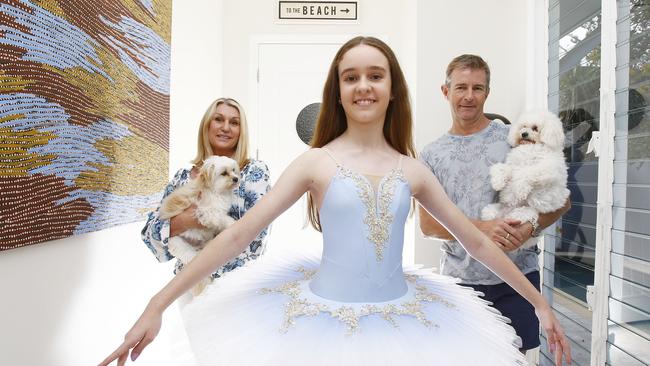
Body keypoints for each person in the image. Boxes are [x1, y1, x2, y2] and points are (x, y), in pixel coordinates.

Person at [100, 37, 571, 366]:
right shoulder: (315, 163)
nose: (363, 85)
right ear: (339, 91)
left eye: (375, 75)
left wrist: (541, 305)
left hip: (403, 326)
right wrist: (157, 304)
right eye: (351, 77)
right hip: (318, 327)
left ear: (391, 89)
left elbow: (479, 244)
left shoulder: (413, 169)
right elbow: (240, 233)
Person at [418, 54, 571, 353]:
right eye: (461, 87)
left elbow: (562, 200)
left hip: (517, 280)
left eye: (478, 88)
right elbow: (427, 226)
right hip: (460, 282)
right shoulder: (431, 154)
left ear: (487, 93)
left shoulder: (518, 136)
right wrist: (483, 228)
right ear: (445, 91)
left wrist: (532, 226)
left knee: (513, 359)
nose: (469, 96)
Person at [141, 97, 271, 281]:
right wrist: (189, 220)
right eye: (218, 119)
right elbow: (150, 235)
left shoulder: (253, 172)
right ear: (206, 126)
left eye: (234, 123)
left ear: (241, 131)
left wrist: (191, 222)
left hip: (236, 284)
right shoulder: (182, 177)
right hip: (187, 283)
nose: (225, 127)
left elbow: (256, 237)